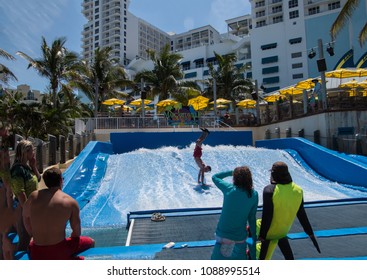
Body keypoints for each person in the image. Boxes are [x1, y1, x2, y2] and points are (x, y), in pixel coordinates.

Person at [22, 167, 95, 260]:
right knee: (91, 241)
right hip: (59, 251)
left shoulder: (33, 197)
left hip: (37, 251)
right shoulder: (70, 202)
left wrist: (32, 235)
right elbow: (76, 233)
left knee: (32, 243)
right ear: (61, 180)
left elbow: (25, 217)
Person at [256, 161, 320, 260]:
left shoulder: (269, 190)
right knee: (258, 223)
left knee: (248, 226)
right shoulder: (298, 190)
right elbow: (301, 214)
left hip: (270, 232)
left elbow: (267, 215)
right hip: (283, 231)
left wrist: (262, 236)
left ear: (273, 174)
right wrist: (310, 234)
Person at [211, 166, 258, 260]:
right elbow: (252, 218)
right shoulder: (253, 194)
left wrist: (231, 172)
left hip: (222, 236)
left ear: (235, 178)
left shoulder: (228, 188)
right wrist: (254, 237)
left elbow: (215, 177)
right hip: (239, 238)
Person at [10, 139, 41, 251]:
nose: (33, 153)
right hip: (22, 209)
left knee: (29, 239)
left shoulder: (27, 167)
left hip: (29, 207)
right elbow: (20, 193)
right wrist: (27, 212)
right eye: (32, 150)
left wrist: (34, 166)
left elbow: (38, 178)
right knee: (24, 240)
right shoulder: (18, 170)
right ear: (25, 152)